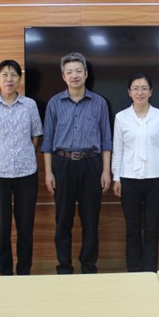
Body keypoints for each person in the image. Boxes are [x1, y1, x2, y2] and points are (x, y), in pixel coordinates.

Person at [42, 52, 112, 274]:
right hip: (62, 164)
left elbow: (106, 140)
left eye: (78, 71)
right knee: (63, 219)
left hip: (91, 165)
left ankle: (89, 266)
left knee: (90, 219)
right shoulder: (54, 103)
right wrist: (48, 172)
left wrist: (106, 171)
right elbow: (48, 140)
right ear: (63, 76)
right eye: (69, 72)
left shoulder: (99, 103)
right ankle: (64, 266)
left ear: (86, 74)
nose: (74, 75)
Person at [0, 60, 43, 275]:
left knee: (25, 227)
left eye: (14, 74)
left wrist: (23, 154)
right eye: (4, 75)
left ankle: (24, 272)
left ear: (19, 79)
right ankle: (5, 273)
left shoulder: (30, 105)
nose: (9, 79)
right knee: (1, 228)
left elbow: (35, 136)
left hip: (26, 173)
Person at [112, 74, 159, 272]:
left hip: (155, 179)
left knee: (152, 229)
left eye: (144, 88)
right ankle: (134, 271)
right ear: (129, 92)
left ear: (151, 92)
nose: (140, 92)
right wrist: (116, 177)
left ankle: (150, 271)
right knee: (133, 229)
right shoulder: (121, 117)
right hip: (128, 179)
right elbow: (118, 149)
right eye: (135, 88)